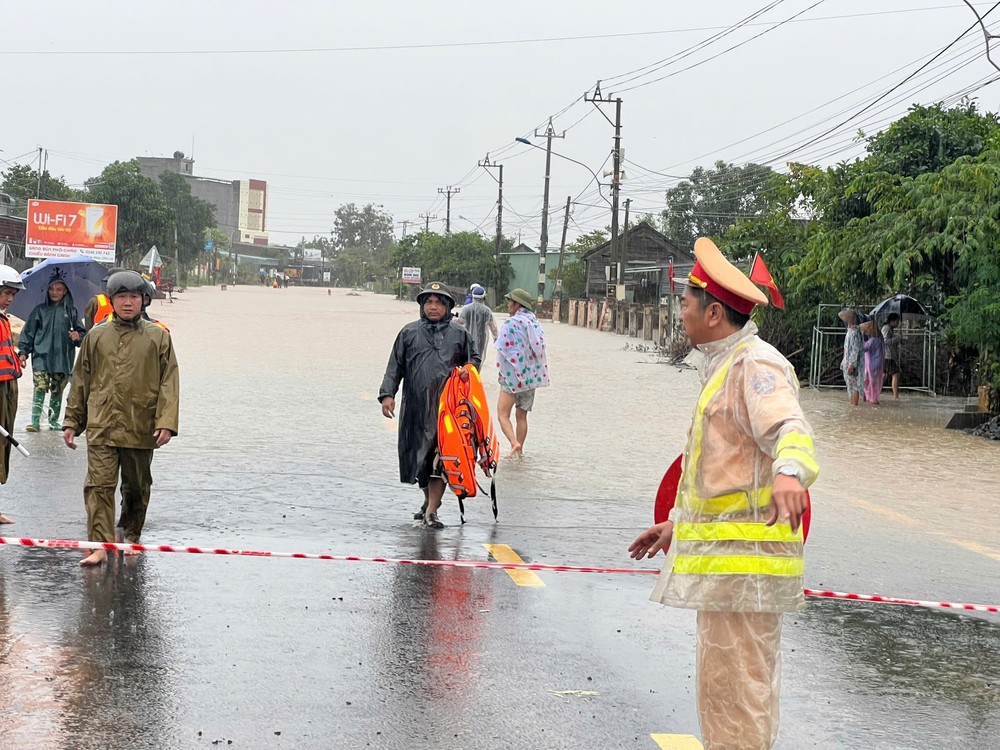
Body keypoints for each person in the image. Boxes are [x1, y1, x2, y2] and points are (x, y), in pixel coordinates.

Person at [628, 237, 818, 750]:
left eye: (685, 302)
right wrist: (676, 524)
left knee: (740, 695)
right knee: (722, 693)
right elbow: (725, 472)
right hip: (728, 569)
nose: (679, 312)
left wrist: (790, 474)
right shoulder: (724, 365)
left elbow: (790, 429)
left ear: (713, 312)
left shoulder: (754, 366)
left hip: (747, 569)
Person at [63, 271, 180, 566]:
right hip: (102, 422)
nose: (128, 303)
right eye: (122, 297)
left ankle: (130, 534)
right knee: (98, 486)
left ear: (144, 300)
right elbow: (81, 380)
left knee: (136, 487)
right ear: (111, 301)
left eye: (134, 297)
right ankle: (99, 544)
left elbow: (170, 381)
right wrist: (72, 420)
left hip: (141, 425)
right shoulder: (97, 336)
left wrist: (166, 421)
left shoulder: (158, 336)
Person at [378, 281, 479, 530]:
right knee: (419, 461)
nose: (433, 307)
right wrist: (387, 394)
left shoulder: (460, 335)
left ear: (447, 307)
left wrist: (468, 370)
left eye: (438, 302)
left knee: (441, 460)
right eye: (428, 302)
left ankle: (432, 511)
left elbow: (474, 360)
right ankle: (428, 500)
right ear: (422, 306)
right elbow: (395, 366)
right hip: (415, 408)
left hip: (448, 412)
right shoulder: (408, 333)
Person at [17, 277, 86, 432]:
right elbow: (28, 333)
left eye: (59, 289)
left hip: (62, 358)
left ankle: (53, 420)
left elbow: (82, 334)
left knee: (57, 390)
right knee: (40, 387)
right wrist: (23, 352)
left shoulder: (72, 312)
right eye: (51, 289)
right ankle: (35, 421)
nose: (54, 292)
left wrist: (78, 337)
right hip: (41, 356)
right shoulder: (39, 311)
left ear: (65, 291)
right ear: (47, 291)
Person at [494, 288, 549, 458]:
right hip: (531, 378)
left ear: (517, 304)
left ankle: (513, 442)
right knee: (522, 416)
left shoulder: (512, 323)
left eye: (510, 302)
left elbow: (502, 347)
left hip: (512, 378)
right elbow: (539, 349)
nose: (508, 305)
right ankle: (520, 451)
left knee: (502, 415)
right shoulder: (534, 323)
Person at [0, 265, 24, 525]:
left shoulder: (4, 320)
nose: (9, 299)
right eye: (6, 292)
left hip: (7, 388)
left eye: (12, 294)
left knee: (2, 446)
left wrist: (16, 359)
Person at [458, 283, 498, 363]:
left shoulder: (466, 309)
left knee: (466, 357)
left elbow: (460, 322)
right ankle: (475, 373)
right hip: (481, 338)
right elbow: (493, 327)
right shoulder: (487, 310)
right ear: (484, 297)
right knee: (478, 357)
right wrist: (496, 338)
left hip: (467, 337)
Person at [839, 308, 864, 407]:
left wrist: (851, 364)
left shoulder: (855, 332)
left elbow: (855, 349)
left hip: (852, 363)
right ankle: (852, 405)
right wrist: (843, 362)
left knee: (854, 386)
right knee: (850, 385)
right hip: (847, 362)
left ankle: (855, 406)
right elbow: (846, 349)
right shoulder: (850, 331)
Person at [861, 319, 885, 405]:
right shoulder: (879, 339)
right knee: (871, 382)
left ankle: (873, 399)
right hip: (877, 365)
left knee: (870, 382)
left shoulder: (872, 341)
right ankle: (871, 398)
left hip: (872, 365)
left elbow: (864, 348)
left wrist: (861, 338)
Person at [881, 312, 901, 400]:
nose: (898, 323)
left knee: (884, 375)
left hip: (887, 355)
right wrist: (897, 338)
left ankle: (874, 391)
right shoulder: (887, 328)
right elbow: (885, 341)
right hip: (887, 355)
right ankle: (896, 396)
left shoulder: (889, 328)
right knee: (895, 374)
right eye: (897, 321)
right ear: (892, 321)